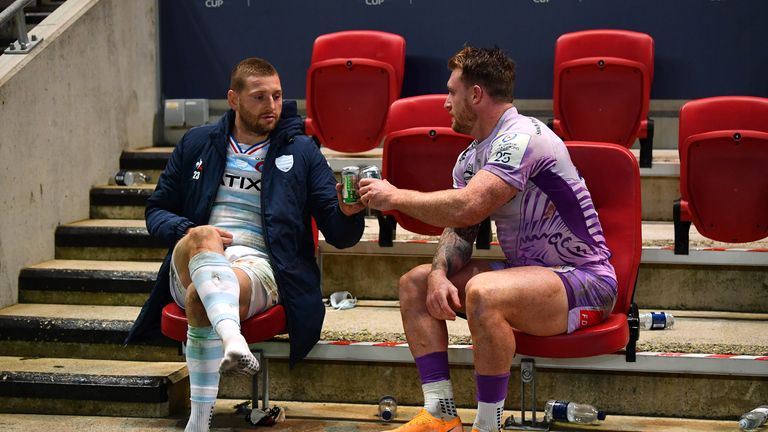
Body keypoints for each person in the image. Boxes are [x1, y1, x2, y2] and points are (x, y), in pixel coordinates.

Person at [359, 46, 617, 432]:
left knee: (483, 291)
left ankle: (487, 424)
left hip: (586, 281)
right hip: (528, 276)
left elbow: (469, 206)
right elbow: (461, 229)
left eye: (452, 92)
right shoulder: (470, 158)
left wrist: (394, 196)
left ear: (476, 95)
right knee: (415, 284)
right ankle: (440, 413)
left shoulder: (522, 137)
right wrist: (438, 273)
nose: (446, 103)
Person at [124, 57, 366, 432]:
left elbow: (341, 236)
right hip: (192, 253)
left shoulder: (301, 152)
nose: (271, 106)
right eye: (259, 97)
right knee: (201, 235)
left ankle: (199, 423)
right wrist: (188, 230)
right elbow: (156, 211)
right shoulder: (197, 142)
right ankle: (233, 338)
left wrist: (350, 212)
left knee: (197, 299)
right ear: (233, 99)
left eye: (277, 95)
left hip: (258, 264)